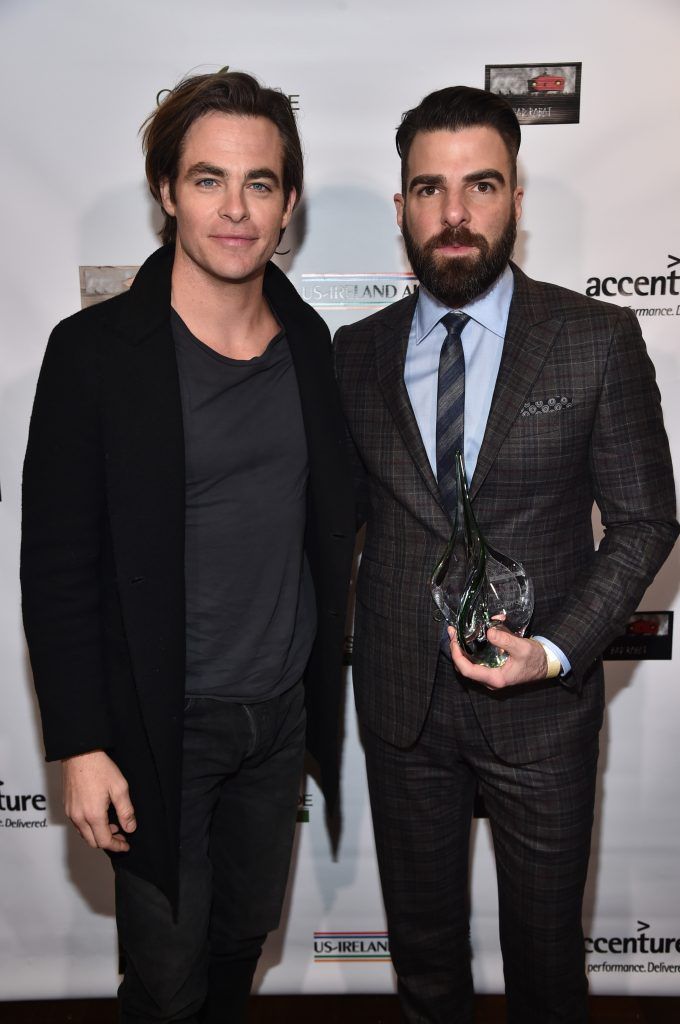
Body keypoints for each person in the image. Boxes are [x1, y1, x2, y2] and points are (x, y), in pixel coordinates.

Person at [334, 85, 678, 1024]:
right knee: (426, 962)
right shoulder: (352, 354)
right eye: (429, 188)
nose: (455, 214)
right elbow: (328, 521)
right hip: (402, 705)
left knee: (546, 966)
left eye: (480, 186)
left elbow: (648, 520)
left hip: (544, 713)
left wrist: (557, 648)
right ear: (401, 205)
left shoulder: (594, 338)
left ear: (517, 200)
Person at [21, 70, 354, 1024]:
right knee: (164, 979)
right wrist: (81, 742)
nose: (235, 210)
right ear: (167, 192)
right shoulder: (93, 353)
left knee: (239, 944)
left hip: (277, 716)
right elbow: (55, 564)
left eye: (260, 183)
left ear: (288, 203)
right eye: (209, 180)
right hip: (159, 725)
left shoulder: (310, 343)